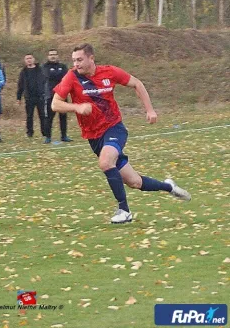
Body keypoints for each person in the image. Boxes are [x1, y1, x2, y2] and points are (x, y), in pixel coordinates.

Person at [51, 43, 191, 224]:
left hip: (114, 128)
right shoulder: (71, 77)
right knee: (134, 182)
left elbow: (137, 83)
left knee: (105, 161)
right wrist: (76, 107)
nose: (76, 64)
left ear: (91, 58)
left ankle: (124, 211)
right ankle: (168, 187)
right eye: (74, 60)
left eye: (79, 60)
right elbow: (55, 104)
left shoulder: (110, 72)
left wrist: (150, 110)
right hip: (94, 137)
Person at [42, 48, 72, 144]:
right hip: (50, 95)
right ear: (48, 56)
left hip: (62, 94)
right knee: (49, 117)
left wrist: (58, 75)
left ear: (58, 56)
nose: (53, 56)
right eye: (51, 54)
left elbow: (66, 77)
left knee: (63, 116)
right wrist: (58, 75)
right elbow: (49, 75)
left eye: (55, 54)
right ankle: (48, 137)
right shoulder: (45, 66)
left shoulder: (63, 66)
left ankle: (64, 136)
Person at [16, 54, 46, 138]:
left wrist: (44, 92)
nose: (29, 60)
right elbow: (20, 85)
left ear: (34, 59)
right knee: (29, 116)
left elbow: (45, 81)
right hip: (29, 97)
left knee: (42, 115)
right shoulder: (23, 72)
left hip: (40, 96)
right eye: (27, 59)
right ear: (25, 60)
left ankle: (44, 132)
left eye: (30, 58)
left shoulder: (40, 69)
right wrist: (19, 97)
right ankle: (30, 132)